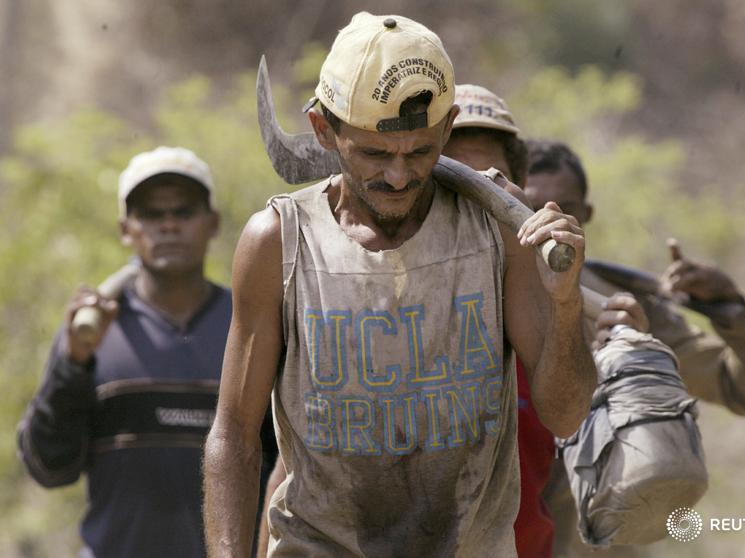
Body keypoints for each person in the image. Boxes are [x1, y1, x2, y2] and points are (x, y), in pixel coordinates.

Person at [203, 12, 595, 557]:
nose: (398, 176)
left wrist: (565, 302)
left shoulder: (495, 232)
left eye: (420, 151)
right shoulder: (279, 242)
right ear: (324, 130)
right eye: (374, 153)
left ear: (447, 126)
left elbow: (567, 414)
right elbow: (235, 434)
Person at [523, 139, 745, 557]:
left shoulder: (623, 304)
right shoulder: (472, 299)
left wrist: (729, 309)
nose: (549, 221)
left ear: (586, 215)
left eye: (565, 207)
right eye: (531, 207)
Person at [17, 146, 278, 558]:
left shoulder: (252, 325)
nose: (169, 225)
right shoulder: (91, 333)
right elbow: (48, 466)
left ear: (213, 223)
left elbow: (287, 465)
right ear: (126, 229)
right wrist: (73, 366)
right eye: (152, 215)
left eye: (184, 211)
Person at [442, 83, 556, 558]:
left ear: (518, 192)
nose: (474, 196)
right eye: (453, 178)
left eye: (489, 178)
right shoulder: (380, 298)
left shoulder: (550, 308)